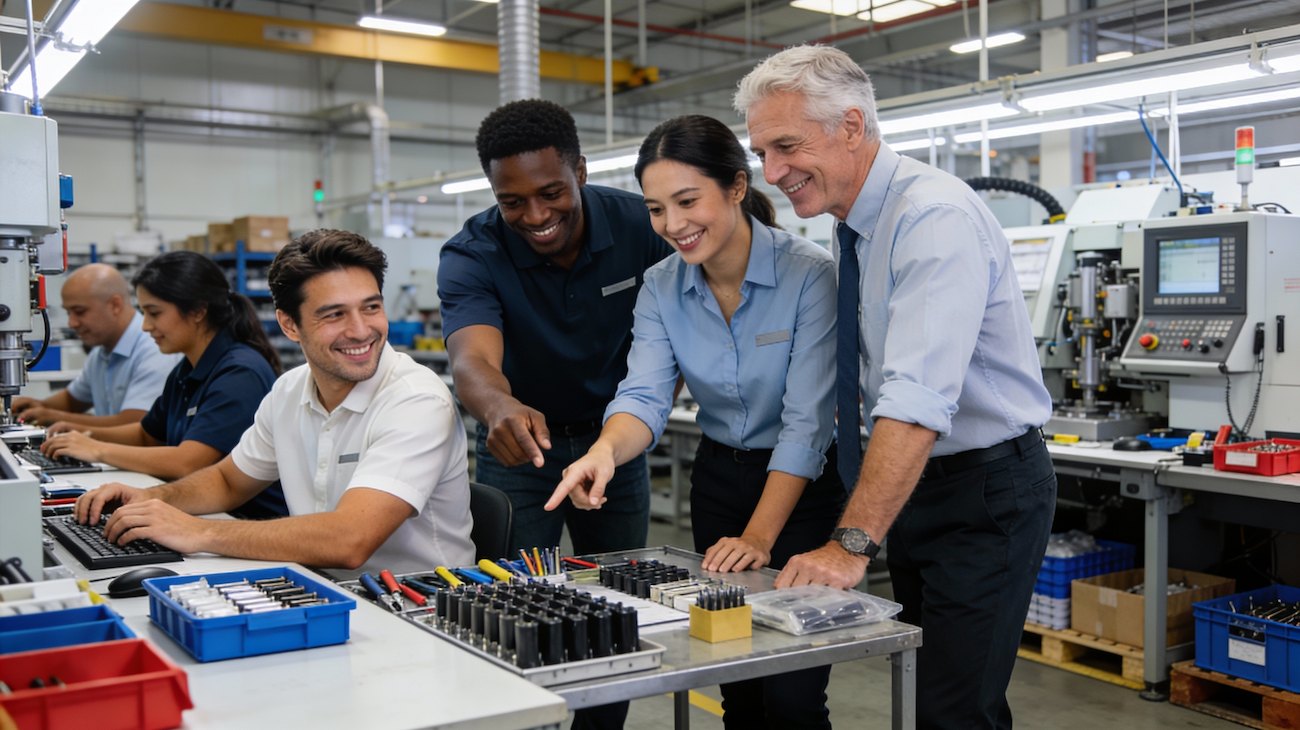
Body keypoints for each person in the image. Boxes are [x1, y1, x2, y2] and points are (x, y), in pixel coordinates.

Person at [736, 45, 1056, 729]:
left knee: (953, 710)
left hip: (984, 494)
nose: (773, 172)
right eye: (762, 153)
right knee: (922, 691)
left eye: (787, 146)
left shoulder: (930, 218)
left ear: (852, 126)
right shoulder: (856, 229)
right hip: (917, 491)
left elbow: (916, 402)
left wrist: (850, 545)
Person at [549, 115, 844, 729]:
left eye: (688, 201)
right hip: (717, 484)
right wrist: (605, 450)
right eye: (656, 209)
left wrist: (760, 538)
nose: (673, 225)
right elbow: (645, 395)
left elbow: (807, 425)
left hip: (802, 491)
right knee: (736, 678)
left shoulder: (808, 274)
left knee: (792, 691)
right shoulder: (661, 285)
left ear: (736, 187)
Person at [74, 230, 476, 577]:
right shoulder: (289, 390)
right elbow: (229, 481)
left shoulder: (416, 399)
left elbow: (349, 540)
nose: (360, 330)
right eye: (334, 314)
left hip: (418, 607)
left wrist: (198, 532)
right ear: (289, 325)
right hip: (325, 588)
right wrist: (152, 501)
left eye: (371, 307)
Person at [438, 99, 674, 557]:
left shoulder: (641, 228)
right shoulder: (471, 254)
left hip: (613, 442)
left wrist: (641, 418)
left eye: (551, 193)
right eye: (512, 202)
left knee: (620, 582)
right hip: (519, 449)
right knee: (513, 594)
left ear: (580, 172)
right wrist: (498, 408)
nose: (536, 215)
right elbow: (473, 360)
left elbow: (677, 338)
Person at [43, 251, 287, 519]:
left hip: (247, 522)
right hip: (206, 511)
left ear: (197, 311)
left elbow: (188, 462)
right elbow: (147, 434)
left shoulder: (239, 373)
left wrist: (97, 449)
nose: (146, 326)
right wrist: (80, 431)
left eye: (154, 313)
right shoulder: (187, 368)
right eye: (143, 313)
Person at [9, 263, 177, 428]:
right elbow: (72, 400)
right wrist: (34, 406)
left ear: (115, 305)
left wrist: (53, 417)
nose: (72, 323)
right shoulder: (101, 352)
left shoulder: (154, 349)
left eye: (80, 312)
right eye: (68, 312)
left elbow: (135, 425)